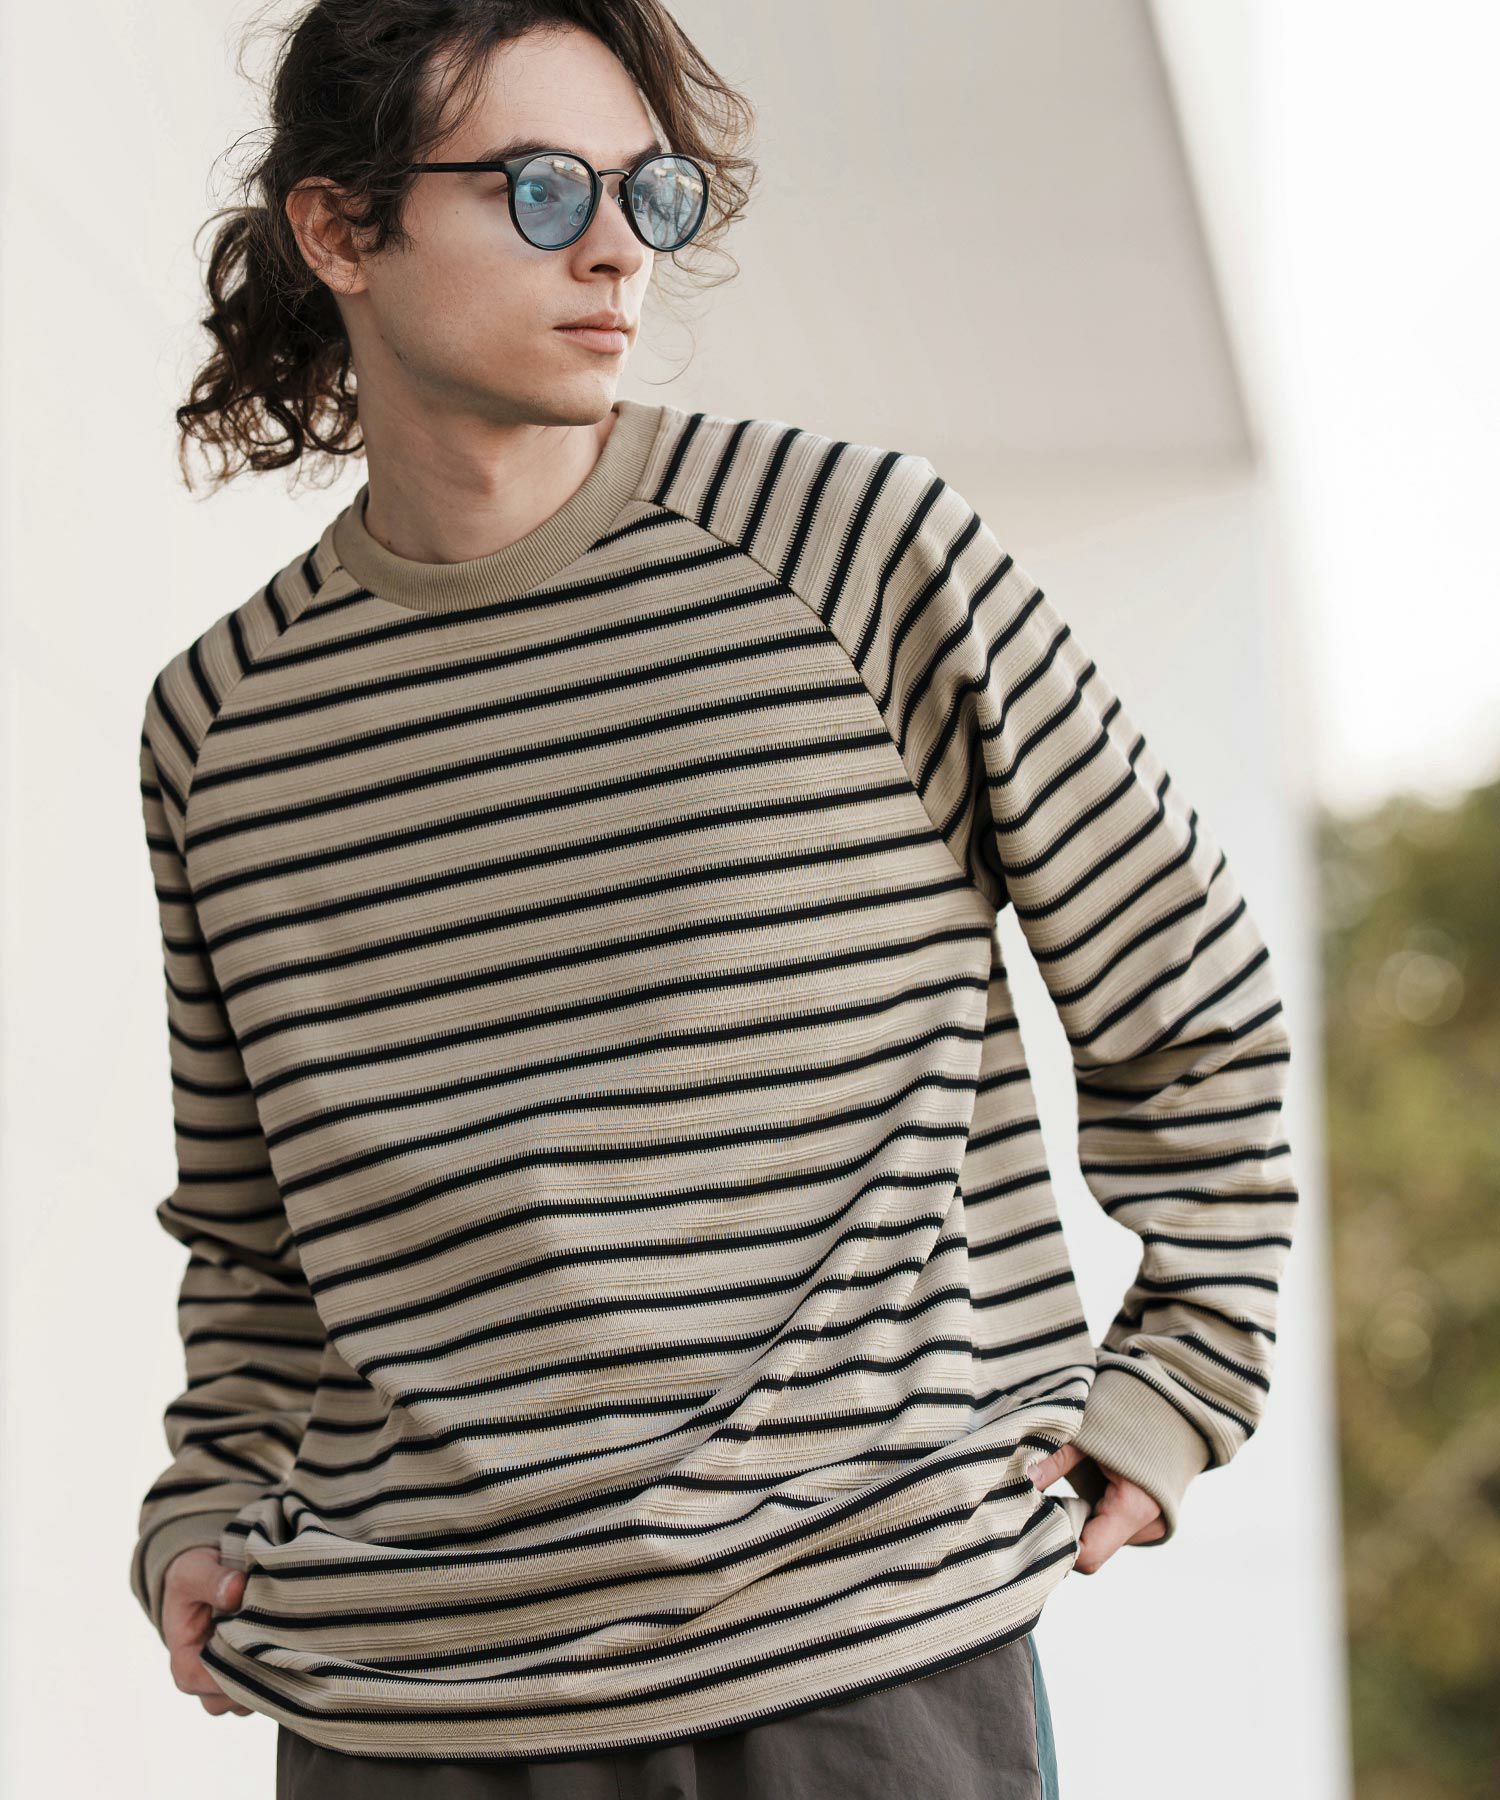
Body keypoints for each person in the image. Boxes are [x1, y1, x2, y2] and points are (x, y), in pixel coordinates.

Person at [127, 4, 1298, 1795]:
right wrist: (210, 1500)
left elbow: (1188, 989)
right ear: (342, 229)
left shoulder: (862, 552)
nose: (616, 249)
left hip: (865, 1664)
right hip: (409, 1711)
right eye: (540, 190)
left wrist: (1186, 1375)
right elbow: (254, 1229)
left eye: (648, 193)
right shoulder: (222, 724)